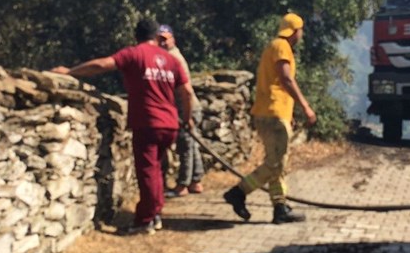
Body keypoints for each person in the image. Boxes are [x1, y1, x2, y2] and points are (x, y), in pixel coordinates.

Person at [52, 18, 192, 234]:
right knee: (156, 170)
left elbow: (102, 65)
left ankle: (145, 221)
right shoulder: (171, 60)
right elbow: (187, 92)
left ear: (136, 36)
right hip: (170, 123)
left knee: (147, 171)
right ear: (156, 36)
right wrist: (188, 118)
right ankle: (155, 214)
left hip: (148, 121)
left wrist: (70, 72)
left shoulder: (134, 53)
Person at [223, 12, 316, 225]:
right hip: (274, 113)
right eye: (301, 30)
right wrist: (305, 106)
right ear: (296, 31)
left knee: (276, 162)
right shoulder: (283, 47)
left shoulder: (272, 46)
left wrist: (289, 114)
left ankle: (280, 207)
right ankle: (238, 192)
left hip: (269, 112)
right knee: (276, 164)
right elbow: (286, 79)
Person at [157, 24, 205, 197]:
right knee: (192, 145)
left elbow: (186, 90)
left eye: (165, 39)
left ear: (172, 39)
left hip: (186, 107)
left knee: (185, 146)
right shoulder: (168, 56)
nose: (161, 42)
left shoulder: (172, 58)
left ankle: (183, 184)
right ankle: (196, 181)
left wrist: (187, 115)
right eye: (159, 39)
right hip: (187, 107)